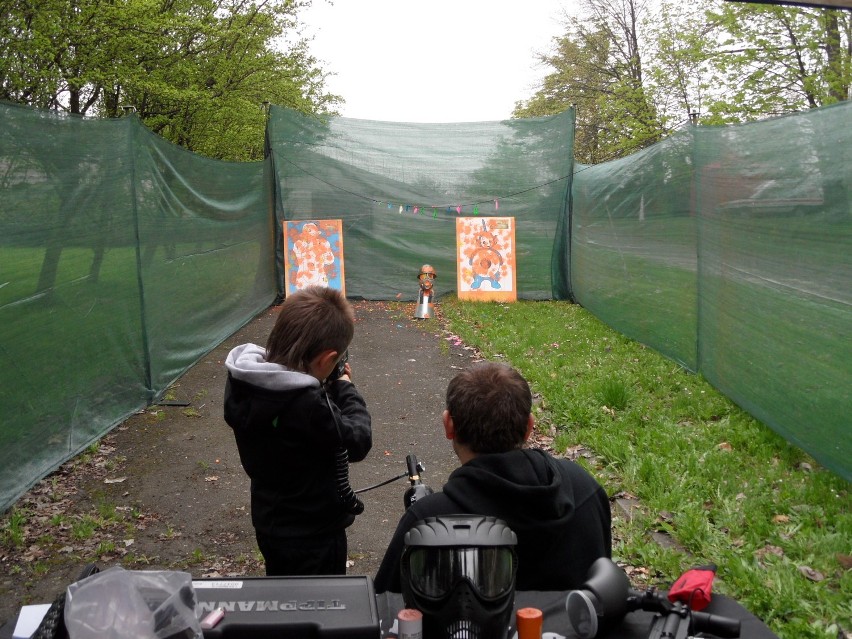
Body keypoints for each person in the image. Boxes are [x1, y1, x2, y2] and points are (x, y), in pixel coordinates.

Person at [373, 362, 611, 593]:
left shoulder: (428, 521)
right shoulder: (584, 488)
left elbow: (383, 607)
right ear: (529, 427)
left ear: (449, 426)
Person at [224, 285, 372, 576]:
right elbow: (357, 439)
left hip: (271, 522)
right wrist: (344, 386)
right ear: (327, 360)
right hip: (314, 534)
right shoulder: (308, 405)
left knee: (283, 593)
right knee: (318, 606)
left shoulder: (248, 382)